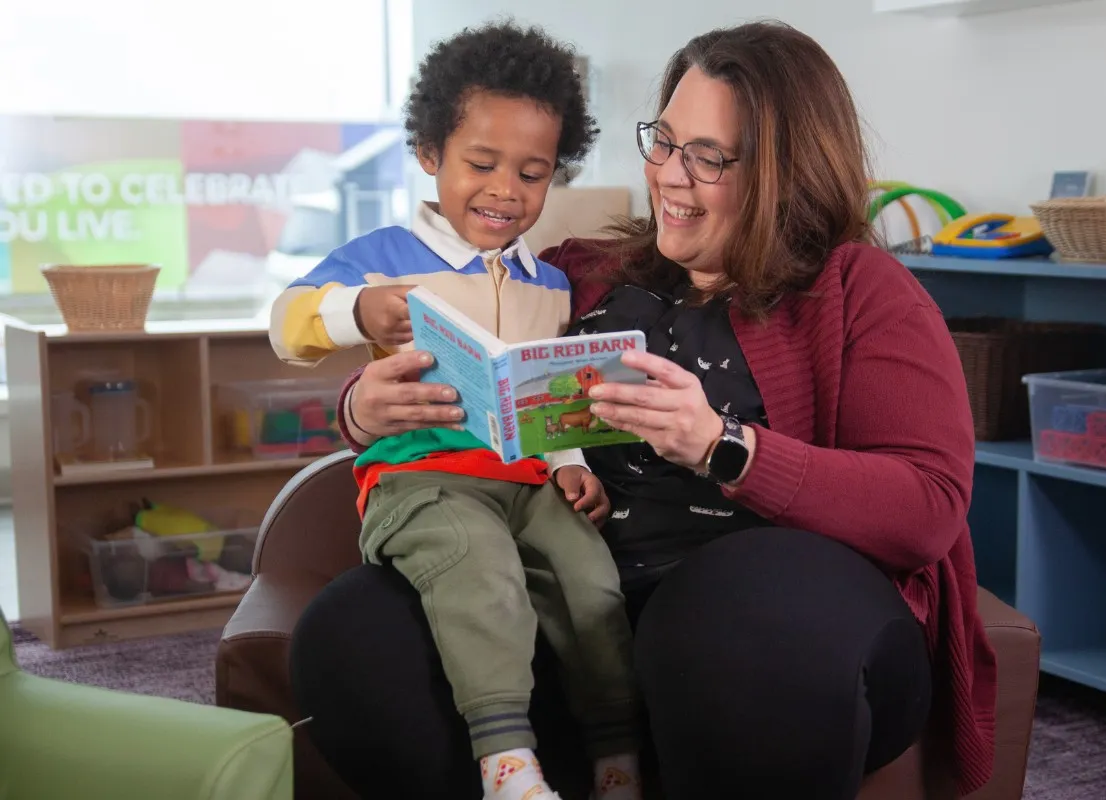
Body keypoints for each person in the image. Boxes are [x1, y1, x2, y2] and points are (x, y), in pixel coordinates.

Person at [291, 19, 998, 800]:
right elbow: (449, 357)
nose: (668, 174)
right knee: (351, 638)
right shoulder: (572, 274)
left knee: (734, 606)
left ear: (784, 172)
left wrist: (724, 446)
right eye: (663, 141)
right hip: (566, 609)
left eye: (708, 157)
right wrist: (363, 407)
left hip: (766, 628)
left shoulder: (857, 289)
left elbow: (928, 505)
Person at [270, 21, 644, 800]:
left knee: (592, 581)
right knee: (483, 575)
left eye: (534, 173)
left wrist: (573, 466)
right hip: (422, 479)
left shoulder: (550, 284)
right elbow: (283, 325)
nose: (506, 190)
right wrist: (357, 311)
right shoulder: (386, 258)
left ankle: (616, 758)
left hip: (527, 479)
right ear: (429, 155)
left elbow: (546, 396)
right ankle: (506, 761)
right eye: (481, 163)